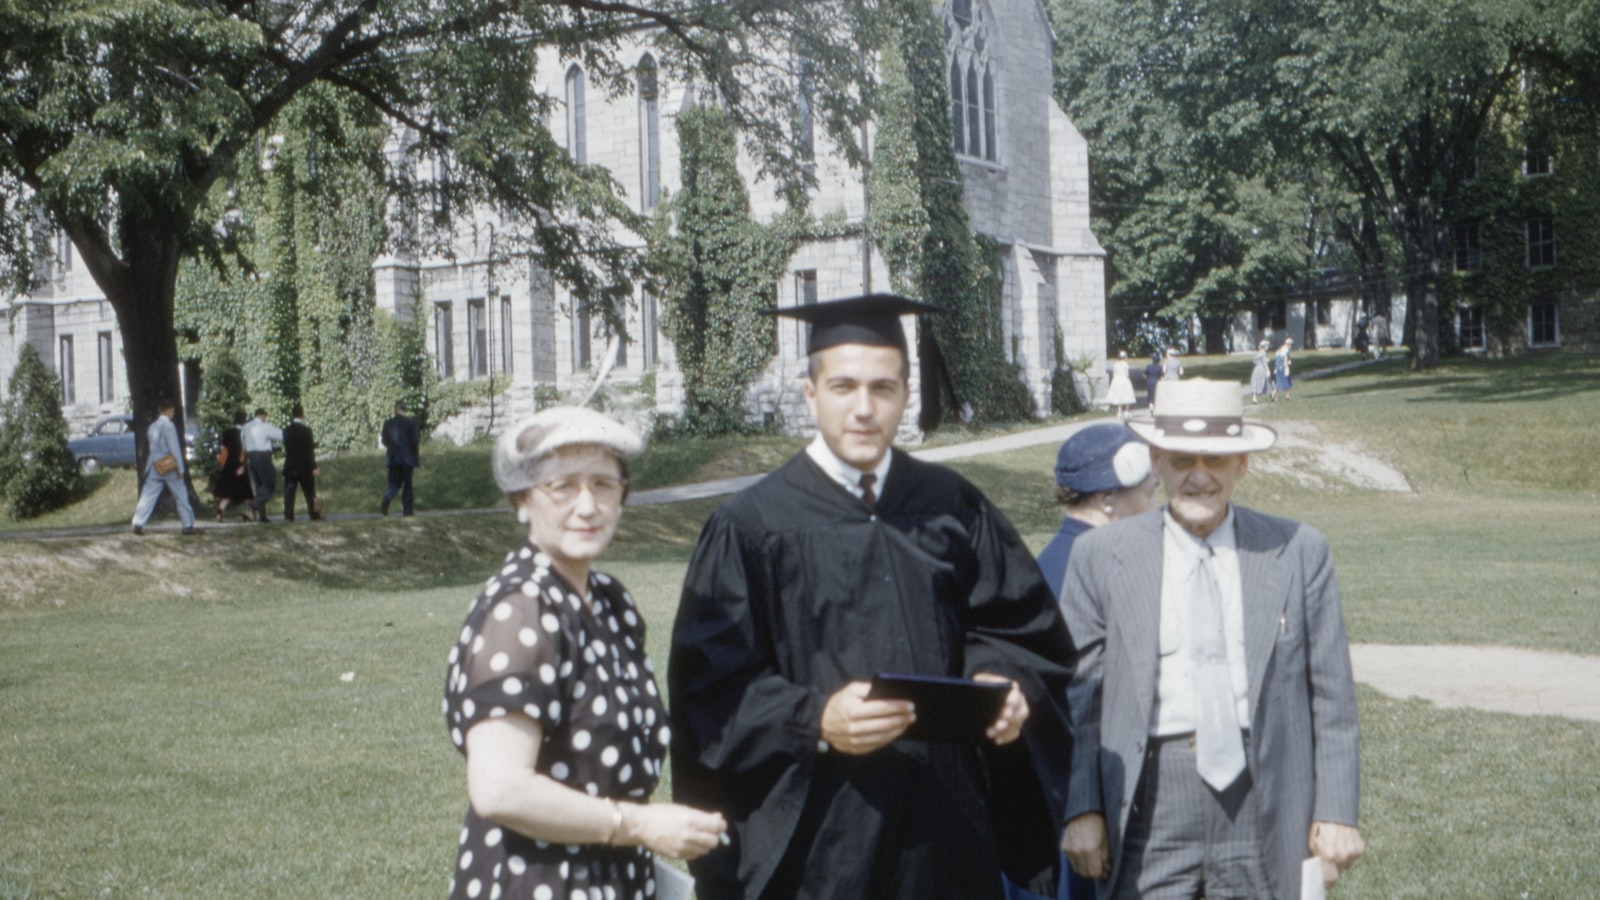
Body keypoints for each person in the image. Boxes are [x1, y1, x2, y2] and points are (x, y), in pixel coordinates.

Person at [669, 294, 1075, 900]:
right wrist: (817, 720)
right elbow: (710, 690)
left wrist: (1005, 685)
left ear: (906, 394)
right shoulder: (753, 526)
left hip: (946, 836)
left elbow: (1019, 629)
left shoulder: (953, 506)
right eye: (843, 387)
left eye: (883, 388)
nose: (864, 409)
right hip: (819, 847)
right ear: (810, 394)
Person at [1057, 378, 1364, 900]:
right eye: (1181, 460)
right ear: (1155, 461)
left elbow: (1331, 698)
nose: (1199, 477)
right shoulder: (1101, 557)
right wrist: (1083, 806)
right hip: (1150, 798)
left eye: (1215, 460)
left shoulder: (1297, 551)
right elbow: (1077, 699)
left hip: (1263, 792)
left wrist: (1335, 811)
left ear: (1242, 463)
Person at [443, 406, 727, 900]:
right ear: (523, 502)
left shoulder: (610, 602)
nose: (587, 505)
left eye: (603, 484)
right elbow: (498, 788)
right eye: (563, 486)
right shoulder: (522, 610)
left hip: (610, 877)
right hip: (535, 882)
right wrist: (635, 824)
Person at [1036, 423, 1159, 599]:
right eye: (1150, 494)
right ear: (1106, 499)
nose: (1154, 507)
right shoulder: (1106, 573)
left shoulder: (1048, 563)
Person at [131, 398, 197, 536]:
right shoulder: (169, 426)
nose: (173, 413)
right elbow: (175, 449)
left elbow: (152, 448)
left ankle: (138, 522)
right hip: (169, 466)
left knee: (148, 495)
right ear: (168, 410)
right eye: (172, 410)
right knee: (181, 495)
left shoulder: (152, 427)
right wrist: (180, 469)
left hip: (155, 465)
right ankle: (187, 524)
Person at [242, 407, 283, 523]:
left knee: (258, 487)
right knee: (269, 484)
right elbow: (280, 436)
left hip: (250, 457)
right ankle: (251, 507)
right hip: (263, 456)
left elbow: (243, 445)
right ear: (263, 416)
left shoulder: (246, 427)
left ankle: (262, 515)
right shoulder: (265, 427)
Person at [211, 410, 253, 522]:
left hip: (229, 464)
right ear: (244, 422)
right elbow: (245, 450)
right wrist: (243, 465)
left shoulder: (228, 432)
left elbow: (224, 450)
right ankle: (248, 514)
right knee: (247, 492)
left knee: (227, 491)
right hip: (240, 463)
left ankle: (220, 511)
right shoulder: (245, 434)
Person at [281, 404, 321, 522]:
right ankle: (314, 514)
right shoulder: (307, 431)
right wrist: (314, 467)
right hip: (305, 466)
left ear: (292, 416)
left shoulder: (286, 431)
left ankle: (288, 515)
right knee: (310, 492)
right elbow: (310, 450)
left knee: (289, 492)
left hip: (291, 466)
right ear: (302, 416)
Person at [381, 401, 420, 516]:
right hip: (407, 459)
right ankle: (408, 511)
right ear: (405, 410)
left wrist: (392, 447)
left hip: (393, 458)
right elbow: (415, 440)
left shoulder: (388, 423)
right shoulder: (412, 423)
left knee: (394, 483)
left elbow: (384, 440)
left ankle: (387, 499)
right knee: (407, 485)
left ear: (395, 410)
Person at [1105, 351, 1136, 420]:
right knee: (1127, 394)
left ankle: (1119, 411)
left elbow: (1114, 374)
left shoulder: (1115, 364)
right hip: (1124, 380)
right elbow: (1127, 374)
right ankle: (1127, 411)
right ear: (1124, 357)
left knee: (1118, 395)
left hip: (1116, 380)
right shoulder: (1125, 364)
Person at [1249, 339, 1272, 404]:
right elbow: (1265, 363)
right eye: (1267, 345)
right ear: (1264, 346)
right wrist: (1267, 370)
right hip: (1262, 369)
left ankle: (1254, 397)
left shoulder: (1258, 352)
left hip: (1256, 369)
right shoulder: (1264, 353)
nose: (1268, 346)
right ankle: (1271, 396)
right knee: (1267, 381)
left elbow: (1254, 361)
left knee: (1256, 382)